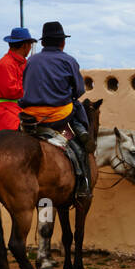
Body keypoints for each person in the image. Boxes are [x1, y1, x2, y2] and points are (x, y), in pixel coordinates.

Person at [20, 20, 92, 197]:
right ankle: (83, 184)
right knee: (80, 146)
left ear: (43, 42)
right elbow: (79, 91)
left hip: (30, 118)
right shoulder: (68, 60)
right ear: (62, 42)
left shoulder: (31, 61)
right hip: (58, 117)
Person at [0, 26, 36, 133]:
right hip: (5, 110)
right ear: (25, 45)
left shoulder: (21, 63)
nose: (30, 47)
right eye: (30, 44)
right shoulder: (6, 64)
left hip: (16, 107)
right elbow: (12, 91)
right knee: (16, 138)